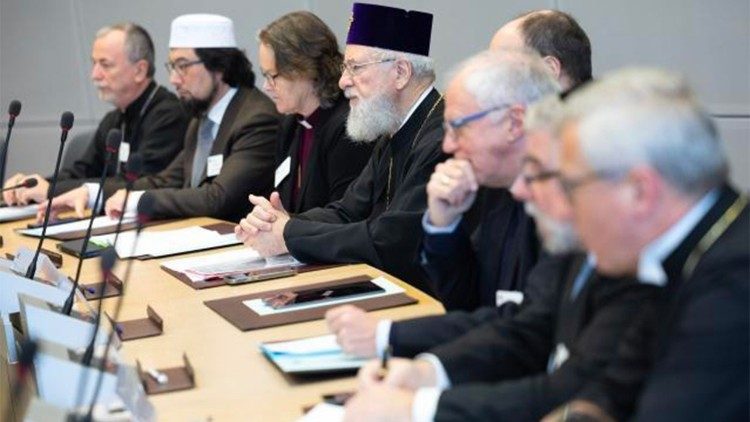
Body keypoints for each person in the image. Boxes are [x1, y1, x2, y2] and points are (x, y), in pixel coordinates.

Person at [341, 90, 658, 422]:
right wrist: (428, 372)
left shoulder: (633, 263)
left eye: (537, 173)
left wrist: (420, 408)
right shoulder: (565, 231)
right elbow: (523, 326)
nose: (521, 190)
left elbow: (573, 386)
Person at [327, 8, 594, 354]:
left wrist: (390, 339)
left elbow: (527, 329)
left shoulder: (575, 186)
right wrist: (443, 227)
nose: (450, 145)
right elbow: (472, 303)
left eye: (503, 65)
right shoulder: (495, 176)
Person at [543, 68, 748, 421]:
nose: (564, 210)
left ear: (640, 191)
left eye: (572, 188)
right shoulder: (677, 253)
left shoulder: (734, 285)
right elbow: (612, 390)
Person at [236, 3, 445, 291]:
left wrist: (289, 233)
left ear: (401, 72)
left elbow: (388, 241)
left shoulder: (443, 138)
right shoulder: (392, 131)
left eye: (355, 67)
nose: (344, 80)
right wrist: (278, 223)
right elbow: (347, 212)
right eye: (346, 67)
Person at [41, 14, 280, 223]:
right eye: (172, 67)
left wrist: (137, 200)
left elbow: (217, 197)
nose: (174, 79)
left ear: (219, 65)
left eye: (183, 66)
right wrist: (92, 194)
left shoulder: (255, 118)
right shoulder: (201, 117)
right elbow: (167, 180)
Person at [4, 22, 187, 205]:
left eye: (105, 65)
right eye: (94, 64)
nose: (95, 75)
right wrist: (32, 186)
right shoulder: (113, 120)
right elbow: (81, 172)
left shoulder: (169, 115)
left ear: (139, 70)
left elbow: (137, 184)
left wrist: (51, 191)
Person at [257, 11, 373, 213]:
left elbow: (344, 217)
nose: (266, 87)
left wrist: (288, 227)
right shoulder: (291, 125)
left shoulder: (348, 127)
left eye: (272, 76)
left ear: (305, 69)